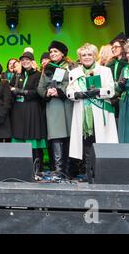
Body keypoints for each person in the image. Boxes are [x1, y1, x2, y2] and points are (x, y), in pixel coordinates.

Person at [66, 44, 118, 180]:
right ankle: (90, 175)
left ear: (95, 56)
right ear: (80, 58)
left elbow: (111, 90)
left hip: (101, 112)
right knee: (87, 144)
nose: (87, 57)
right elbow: (69, 92)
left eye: (89, 54)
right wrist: (77, 94)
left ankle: (104, 174)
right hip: (83, 113)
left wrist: (97, 91)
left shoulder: (105, 70)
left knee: (102, 142)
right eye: (84, 55)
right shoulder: (74, 72)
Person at [37, 41, 74, 180]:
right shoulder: (47, 68)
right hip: (53, 106)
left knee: (70, 137)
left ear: (63, 53)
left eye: (55, 51)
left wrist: (60, 91)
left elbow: (75, 83)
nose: (52, 54)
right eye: (51, 52)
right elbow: (40, 88)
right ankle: (59, 171)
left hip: (68, 104)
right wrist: (48, 92)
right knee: (56, 137)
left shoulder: (71, 66)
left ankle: (70, 170)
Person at [10, 52, 47, 171]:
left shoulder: (38, 75)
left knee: (33, 138)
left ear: (32, 61)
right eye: (23, 60)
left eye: (27, 59)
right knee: (18, 136)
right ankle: (20, 167)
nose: (25, 62)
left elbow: (38, 92)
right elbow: (10, 88)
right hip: (18, 110)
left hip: (32, 108)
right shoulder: (17, 75)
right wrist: (13, 90)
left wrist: (21, 92)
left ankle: (36, 167)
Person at [106, 33, 128, 118]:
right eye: (112, 47)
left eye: (116, 47)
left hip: (124, 96)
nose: (113, 49)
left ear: (123, 47)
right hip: (112, 96)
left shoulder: (127, 64)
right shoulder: (110, 64)